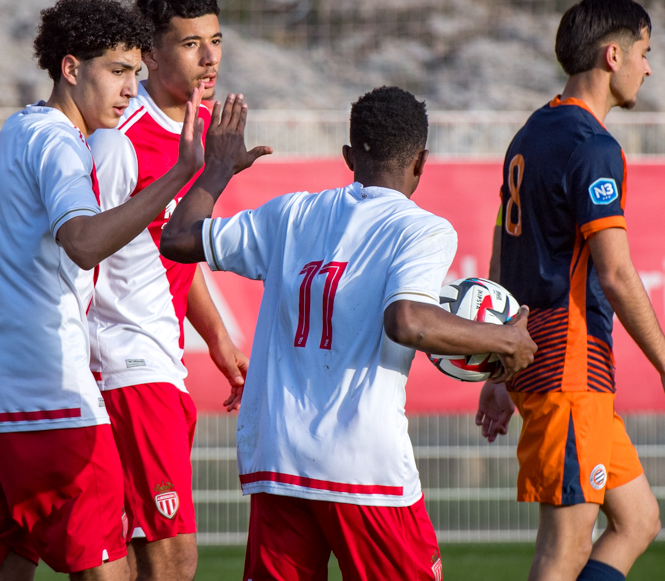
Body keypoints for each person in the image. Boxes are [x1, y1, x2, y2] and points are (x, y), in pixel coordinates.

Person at [160, 86, 538, 580]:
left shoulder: (290, 213)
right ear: (421, 162)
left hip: (279, 459)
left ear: (348, 156)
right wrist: (506, 340)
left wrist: (217, 169)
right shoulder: (421, 229)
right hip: (363, 468)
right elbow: (408, 320)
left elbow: (177, 238)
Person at [0, 0, 207, 581]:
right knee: (106, 570)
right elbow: (82, 242)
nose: (130, 89)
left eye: (135, 73)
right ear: (72, 68)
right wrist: (179, 175)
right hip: (54, 402)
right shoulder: (59, 143)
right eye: (118, 71)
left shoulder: (12, 135)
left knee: (4, 569)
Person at [476, 0, 665, 581]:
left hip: (548, 363)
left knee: (638, 520)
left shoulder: (532, 133)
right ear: (613, 56)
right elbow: (617, 274)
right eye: (645, 53)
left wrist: (500, 368)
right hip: (568, 370)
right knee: (564, 552)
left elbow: (503, 247)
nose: (647, 68)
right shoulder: (593, 146)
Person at [86, 0, 246, 581]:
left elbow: (169, 249)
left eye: (216, 41)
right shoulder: (120, 138)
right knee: (172, 556)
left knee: (132, 551)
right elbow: (83, 249)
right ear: (150, 54)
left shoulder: (197, 127)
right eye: (190, 44)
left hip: (159, 359)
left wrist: (218, 339)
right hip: (127, 363)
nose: (209, 58)